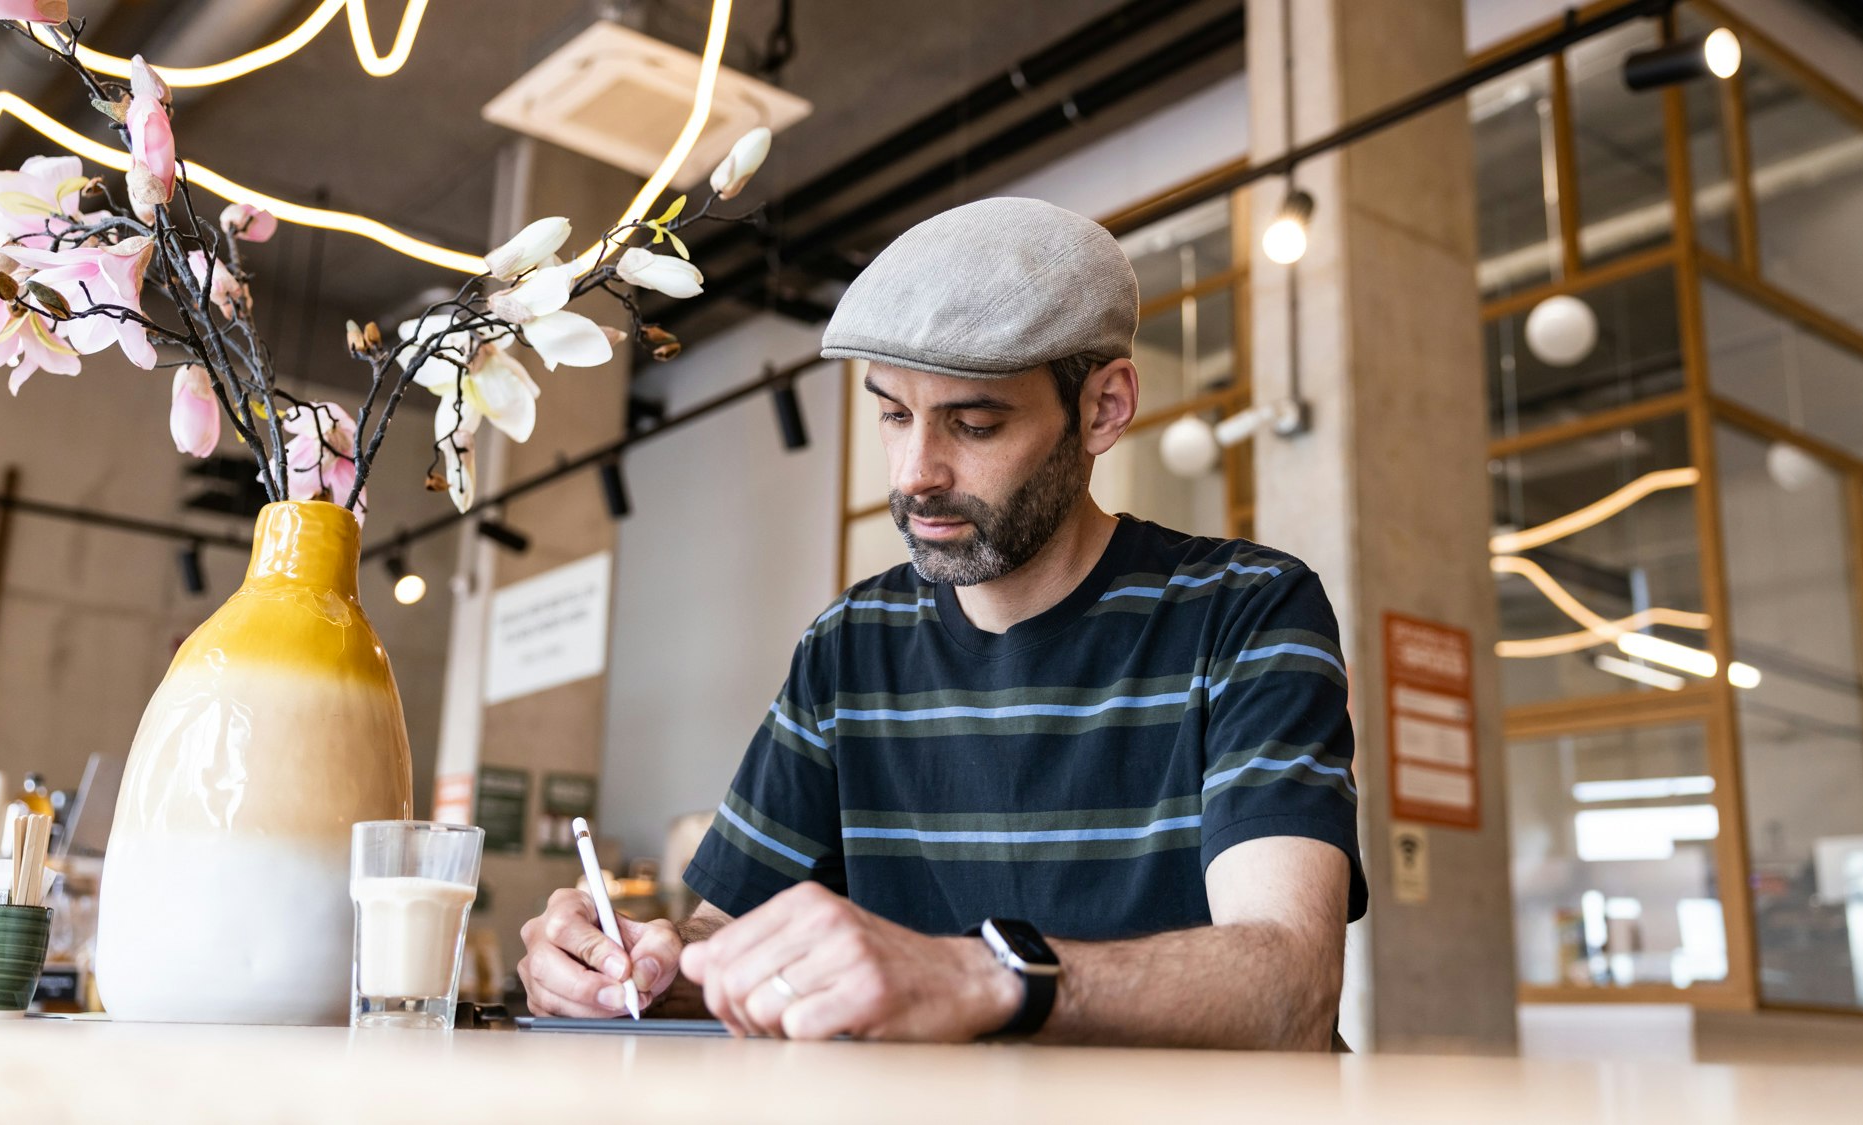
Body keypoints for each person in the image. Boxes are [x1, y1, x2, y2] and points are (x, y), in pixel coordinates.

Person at [518, 197, 1366, 1050]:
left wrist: (982, 975)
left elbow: (1289, 986)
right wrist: (638, 970)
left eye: (974, 423)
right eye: (892, 414)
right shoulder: (850, 647)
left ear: (1104, 408)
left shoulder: (1247, 610)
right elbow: (722, 946)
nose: (916, 474)